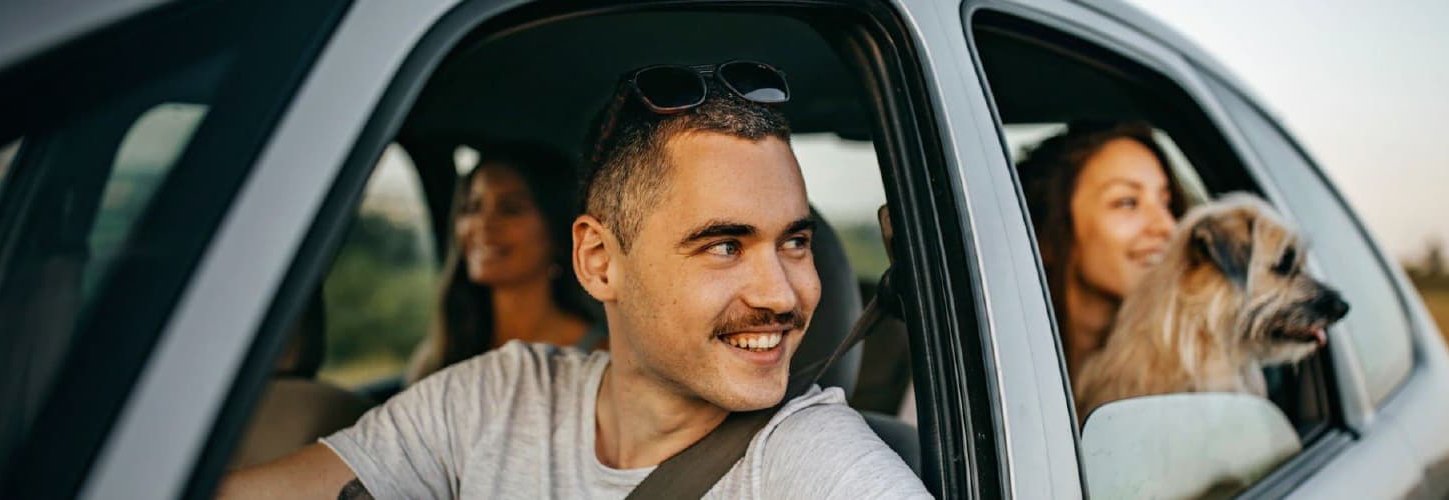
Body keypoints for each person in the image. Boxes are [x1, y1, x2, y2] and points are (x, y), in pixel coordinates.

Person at [219, 62, 928, 499]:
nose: (781, 293)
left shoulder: (811, 461)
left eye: (794, 241)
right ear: (598, 260)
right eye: (723, 246)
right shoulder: (494, 400)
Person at [403, 144, 601, 385]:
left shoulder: (596, 360)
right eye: (472, 208)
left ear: (558, 233)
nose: (483, 224)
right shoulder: (438, 356)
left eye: (510, 209)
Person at [1016, 121, 1188, 381]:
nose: (1168, 227)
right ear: (1046, 234)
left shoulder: (1187, 375)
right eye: (1127, 202)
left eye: (1166, 203)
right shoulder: (1004, 371)